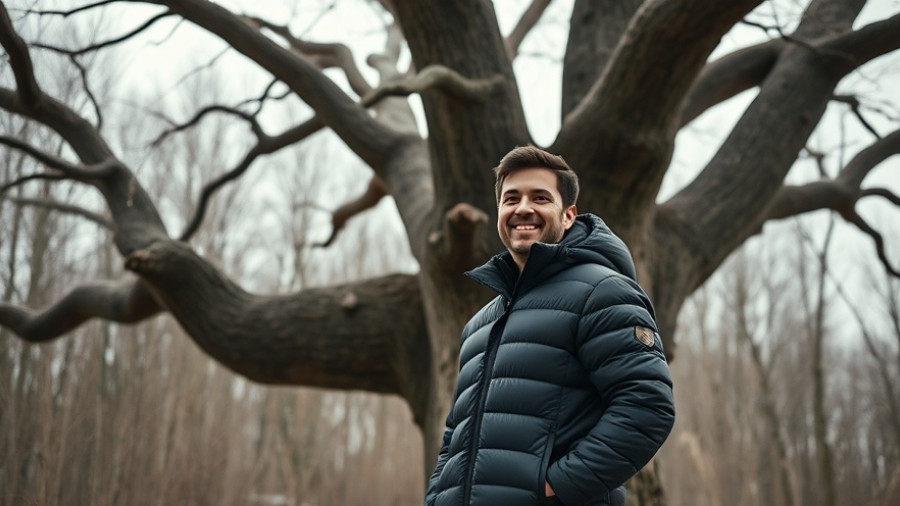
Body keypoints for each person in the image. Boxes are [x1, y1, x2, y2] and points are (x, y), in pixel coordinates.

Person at [423, 146, 676, 506]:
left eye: (540, 197)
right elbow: (454, 436)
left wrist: (555, 487)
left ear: (569, 214)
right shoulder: (480, 325)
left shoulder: (603, 292)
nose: (523, 208)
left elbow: (647, 406)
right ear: (499, 213)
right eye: (511, 198)